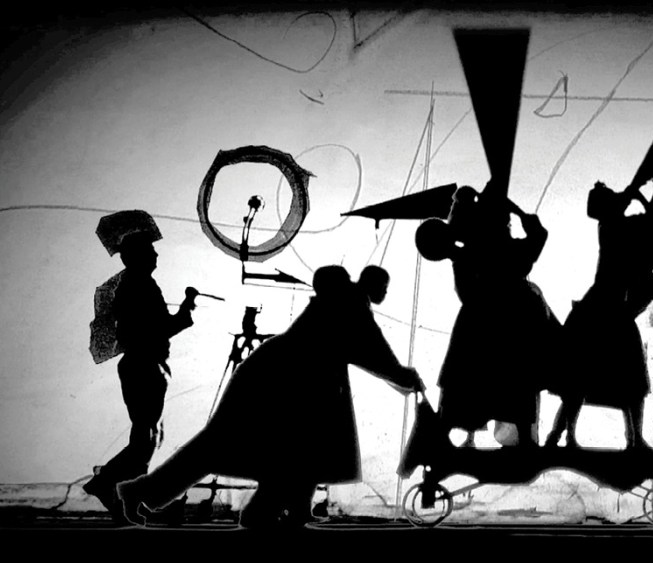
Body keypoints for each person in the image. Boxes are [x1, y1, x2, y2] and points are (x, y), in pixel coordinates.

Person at [117, 265, 423, 528]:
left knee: (294, 450)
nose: (385, 292)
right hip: (283, 380)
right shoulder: (350, 304)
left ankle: (284, 510)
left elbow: (365, 350)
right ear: (371, 283)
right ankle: (144, 493)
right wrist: (404, 376)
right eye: (384, 286)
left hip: (279, 374)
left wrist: (399, 375)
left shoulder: (338, 302)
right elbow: (372, 350)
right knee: (261, 448)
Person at [545, 177, 653, 449]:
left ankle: (626, 439)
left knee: (621, 383)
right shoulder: (612, 228)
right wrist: (646, 191)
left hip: (602, 314)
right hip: (599, 313)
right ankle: (567, 437)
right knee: (584, 381)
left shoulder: (624, 244)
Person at [83, 223, 197, 522]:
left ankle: (129, 497)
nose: (156, 255)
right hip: (144, 365)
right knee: (145, 438)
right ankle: (108, 483)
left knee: (146, 436)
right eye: (150, 250)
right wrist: (186, 308)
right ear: (137, 257)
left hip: (141, 364)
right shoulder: (140, 286)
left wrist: (184, 310)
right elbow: (161, 328)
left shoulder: (135, 285)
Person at [435, 184, 561, 448]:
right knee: (518, 381)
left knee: (468, 380)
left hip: (477, 324)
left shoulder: (467, 252)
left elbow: (464, 291)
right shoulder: (510, 251)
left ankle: (454, 436)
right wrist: (518, 211)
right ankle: (523, 441)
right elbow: (539, 234)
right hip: (512, 325)